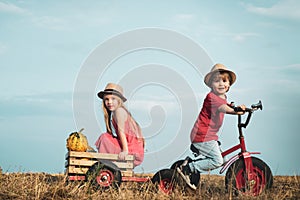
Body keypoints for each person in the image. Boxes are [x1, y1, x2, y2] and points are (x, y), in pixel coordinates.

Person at [177, 63, 246, 189]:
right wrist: (235, 110)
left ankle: (189, 163)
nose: (221, 84)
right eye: (216, 81)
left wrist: (239, 108)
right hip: (202, 135)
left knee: (223, 159)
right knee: (217, 161)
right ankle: (188, 168)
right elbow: (222, 107)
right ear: (211, 85)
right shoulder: (211, 98)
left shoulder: (222, 97)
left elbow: (226, 105)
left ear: (229, 84)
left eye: (224, 81)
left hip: (209, 135)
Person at [95, 83, 144, 167]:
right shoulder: (117, 112)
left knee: (104, 138)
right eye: (107, 99)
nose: (109, 102)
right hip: (135, 150)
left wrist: (125, 151)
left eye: (113, 99)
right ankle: (109, 165)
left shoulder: (119, 111)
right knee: (108, 137)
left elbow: (121, 132)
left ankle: (104, 165)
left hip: (130, 149)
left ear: (119, 100)